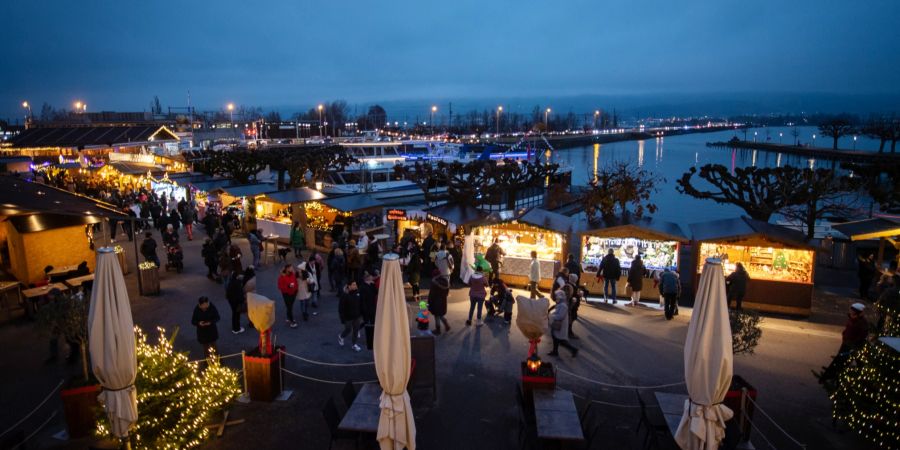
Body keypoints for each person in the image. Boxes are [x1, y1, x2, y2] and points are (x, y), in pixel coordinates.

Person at [817, 303, 869, 385]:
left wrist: (853, 344)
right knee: (838, 361)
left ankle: (840, 381)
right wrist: (844, 335)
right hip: (845, 344)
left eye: (852, 311)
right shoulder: (851, 318)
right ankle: (828, 377)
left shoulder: (862, 323)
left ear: (857, 312)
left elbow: (862, 336)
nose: (850, 312)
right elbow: (847, 329)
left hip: (852, 347)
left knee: (844, 364)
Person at [548, 290, 578, 357]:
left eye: (557, 297)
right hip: (557, 325)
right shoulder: (560, 304)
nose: (556, 298)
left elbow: (560, 316)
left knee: (560, 340)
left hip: (560, 327)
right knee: (555, 338)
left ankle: (573, 349)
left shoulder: (563, 306)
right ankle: (555, 351)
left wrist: (551, 316)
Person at [338, 281, 363, 352]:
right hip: (348, 317)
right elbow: (341, 308)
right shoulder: (345, 295)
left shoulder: (358, 293)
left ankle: (354, 344)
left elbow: (360, 303)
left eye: (355, 284)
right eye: (353, 284)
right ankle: (341, 336)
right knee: (348, 329)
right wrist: (342, 318)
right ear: (349, 286)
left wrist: (361, 313)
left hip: (357, 316)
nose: (355, 286)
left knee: (356, 330)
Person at [565, 274, 581, 338]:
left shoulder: (569, 284)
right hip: (572, 305)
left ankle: (568, 331)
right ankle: (569, 332)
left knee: (571, 318)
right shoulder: (571, 286)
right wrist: (578, 295)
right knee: (571, 318)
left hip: (573, 304)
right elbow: (571, 295)